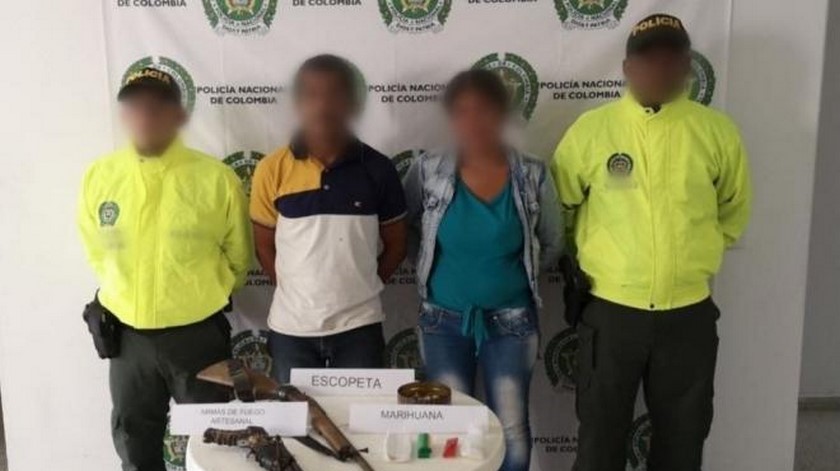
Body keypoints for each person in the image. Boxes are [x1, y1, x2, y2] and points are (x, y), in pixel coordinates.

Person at [551, 14, 752, 471]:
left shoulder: (716, 132)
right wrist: (603, 261)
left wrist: (694, 257)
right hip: (611, 312)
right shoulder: (592, 130)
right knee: (599, 441)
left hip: (688, 315)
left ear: (687, 67)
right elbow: (559, 208)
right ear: (628, 68)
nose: (661, 69)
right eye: (649, 60)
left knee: (683, 440)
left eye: (672, 59)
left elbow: (733, 209)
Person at [77, 67, 253, 471]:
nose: (145, 115)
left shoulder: (215, 178)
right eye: (135, 106)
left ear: (178, 115)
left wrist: (199, 293)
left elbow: (239, 257)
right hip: (128, 339)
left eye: (157, 106)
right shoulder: (100, 176)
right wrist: (123, 293)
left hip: (198, 338)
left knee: (214, 446)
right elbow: (95, 249)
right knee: (134, 443)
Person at [403, 69, 564, 471]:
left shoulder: (532, 174)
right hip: (441, 321)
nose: (473, 121)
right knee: (447, 426)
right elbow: (406, 230)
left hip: (512, 322)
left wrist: (508, 281)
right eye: (462, 111)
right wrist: (431, 273)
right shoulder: (427, 171)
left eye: (485, 110)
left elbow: (552, 241)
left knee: (510, 426)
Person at [250, 54, 407, 383]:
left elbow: (397, 244)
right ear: (297, 104)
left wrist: (363, 287)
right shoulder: (272, 168)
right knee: (294, 417)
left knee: (358, 417)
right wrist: (294, 290)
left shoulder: (378, 168)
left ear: (352, 104)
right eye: (312, 94)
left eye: (335, 94)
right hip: (291, 330)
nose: (323, 105)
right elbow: (263, 245)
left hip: (359, 328)